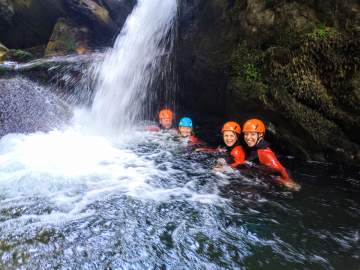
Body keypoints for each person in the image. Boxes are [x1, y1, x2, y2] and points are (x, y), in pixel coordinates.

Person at [242, 118, 301, 191]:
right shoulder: (254, 148)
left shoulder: (264, 152)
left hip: (277, 177)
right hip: (264, 173)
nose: (248, 137)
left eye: (252, 134)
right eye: (246, 134)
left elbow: (281, 169)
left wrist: (288, 181)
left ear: (260, 135)